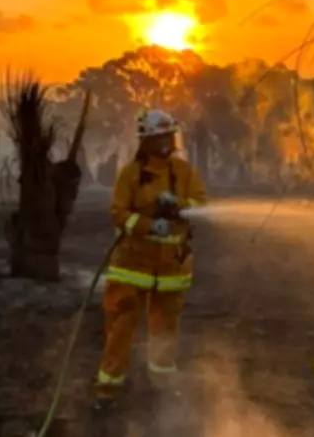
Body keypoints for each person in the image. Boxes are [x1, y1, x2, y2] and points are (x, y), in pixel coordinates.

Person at [93, 108, 206, 412]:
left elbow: (200, 204)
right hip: (132, 267)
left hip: (172, 269)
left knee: (165, 331)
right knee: (121, 327)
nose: (166, 142)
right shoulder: (130, 174)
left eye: (169, 136)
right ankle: (108, 390)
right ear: (146, 141)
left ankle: (163, 389)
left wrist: (178, 206)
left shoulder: (184, 173)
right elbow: (118, 213)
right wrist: (147, 225)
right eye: (160, 137)